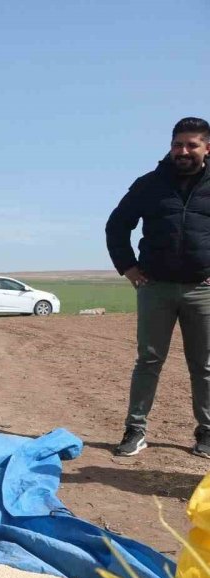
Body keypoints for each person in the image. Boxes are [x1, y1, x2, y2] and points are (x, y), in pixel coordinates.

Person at [105, 117, 210, 458]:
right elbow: (117, 225)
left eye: (191, 145)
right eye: (178, 144)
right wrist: (129, 268)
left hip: (202, 289)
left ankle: (207, 433)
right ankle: (135, 431)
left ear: (207, 148)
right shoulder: (150, 184)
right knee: (148, 361)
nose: (183, 151)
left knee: (205, 365)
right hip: (156, 288)